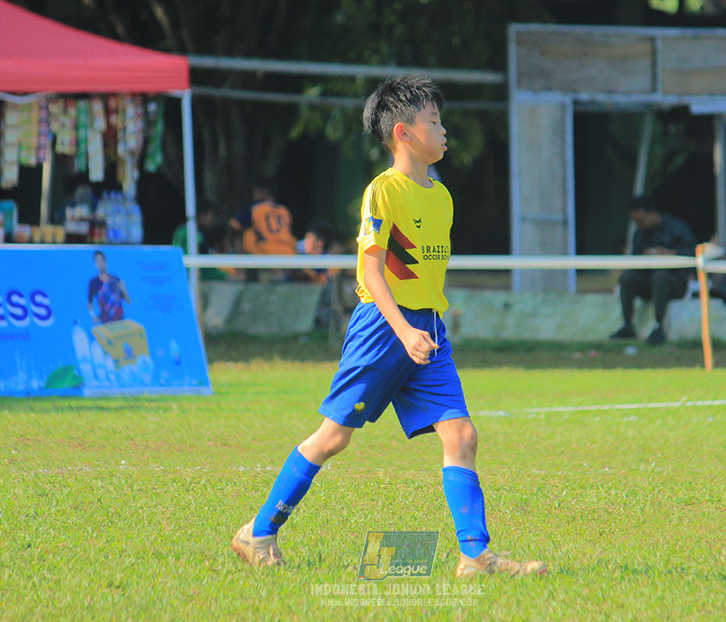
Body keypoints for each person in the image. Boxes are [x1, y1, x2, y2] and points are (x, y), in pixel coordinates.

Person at [231, 75, 546, 578]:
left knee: (461, 436)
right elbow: (370, 271)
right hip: (383, 328)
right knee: (334, 438)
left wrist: (429, 321)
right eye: (434, 121)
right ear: (402, 132)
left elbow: (423, 270)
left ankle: (475, 556)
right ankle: (259, 532)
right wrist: (403, 330)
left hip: (428, 333)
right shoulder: (383, 192)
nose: (445, 131)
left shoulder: (441, 197)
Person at [609, 197, 697, 345]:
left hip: (674, 281)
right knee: (627, 277)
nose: (639, 225)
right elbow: (635, 262)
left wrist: (670, 254)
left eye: (642, 220)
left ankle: (659, 327)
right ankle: (628, 325)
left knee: (660, 276)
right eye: (636, 222)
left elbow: (693, 252)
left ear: (653, 213)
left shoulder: (676, 227)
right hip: (648, 280)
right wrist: (645, 257)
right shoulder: (639, 235)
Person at [231, 177, 297, 256]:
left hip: (267, 252)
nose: (254, 195)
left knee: (246, 233)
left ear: (264, 193)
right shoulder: (284, 210)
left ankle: (240, 266)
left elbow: (233, 226)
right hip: (290, 251)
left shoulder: (256, 208)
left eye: (256, 192)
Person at [87, 250, 130, 324]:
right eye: (97, 261)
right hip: (106, 322)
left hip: (120, 320)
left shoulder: (115, 280)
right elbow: (90, 303)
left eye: (102, 260)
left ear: (105, 262)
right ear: (95, 264)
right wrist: (93, 316)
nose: (100, 264)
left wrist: (124, 289)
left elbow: (128, 301)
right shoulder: (93, 282)